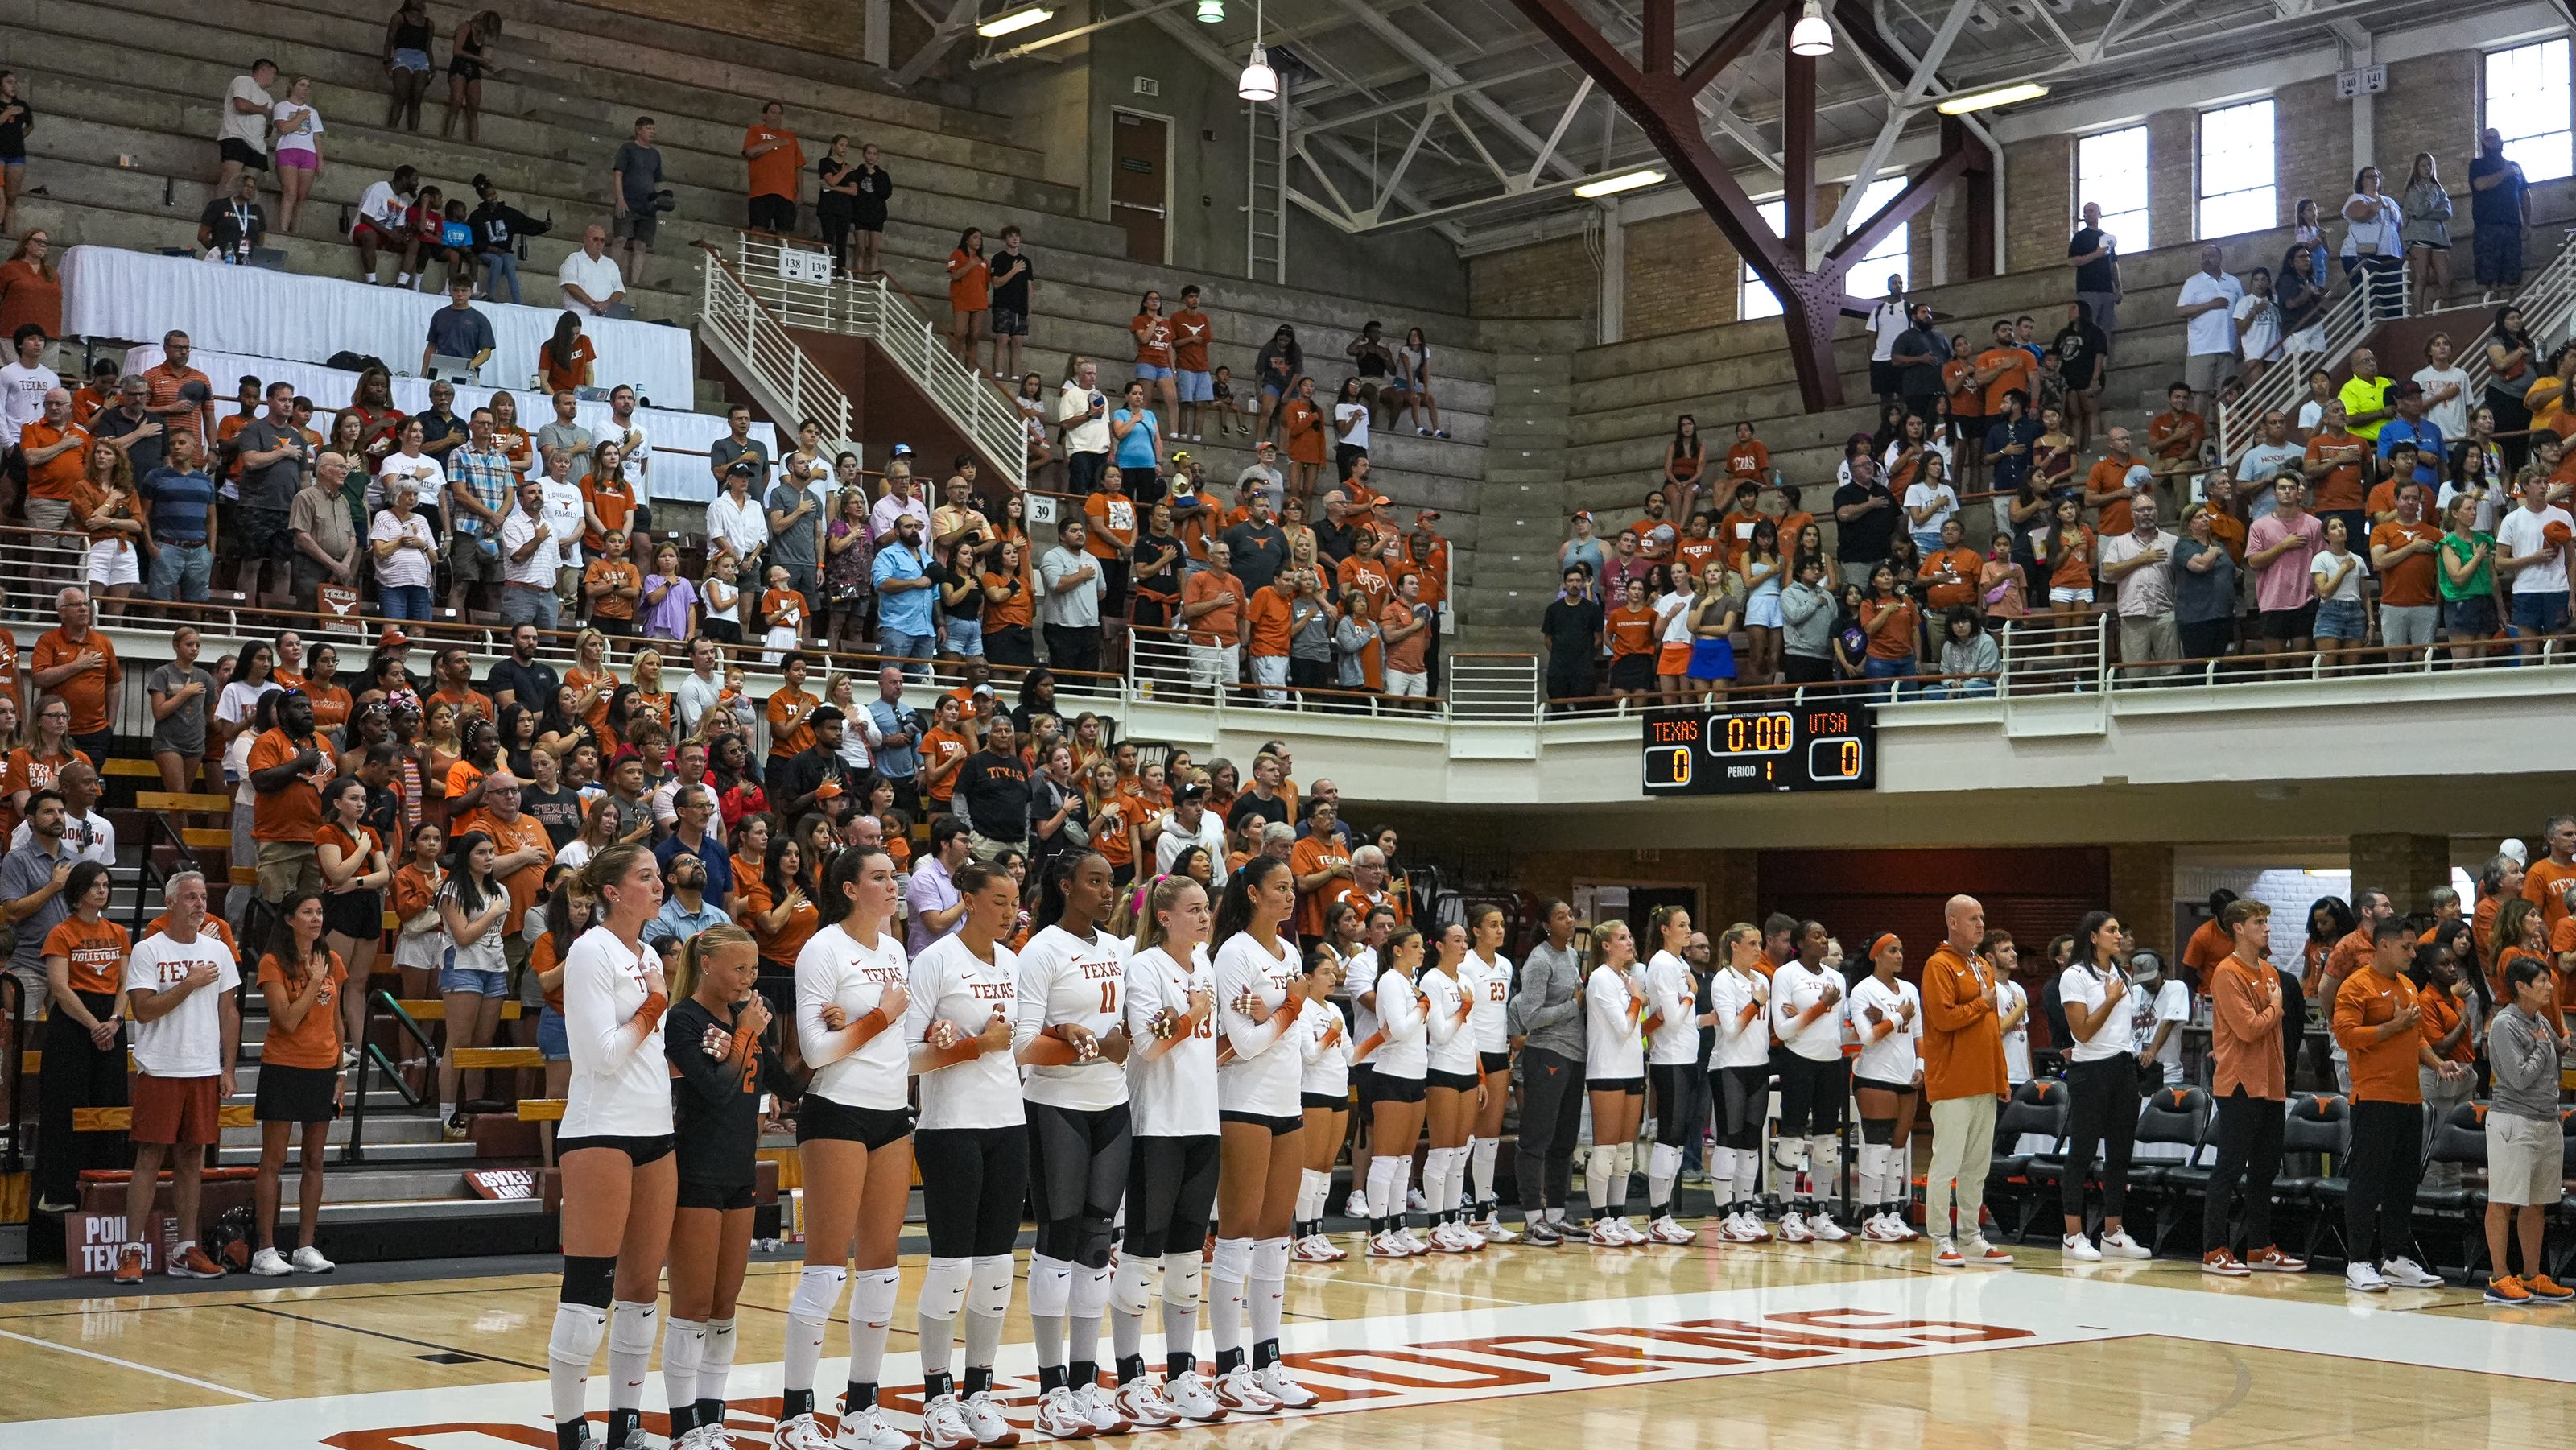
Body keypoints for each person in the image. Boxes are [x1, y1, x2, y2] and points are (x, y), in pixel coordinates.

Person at [542, 845, 674, 1450]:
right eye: (645, 876)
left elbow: (645, 1051)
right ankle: (572, 1429)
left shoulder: (647, 952)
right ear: (613, 892)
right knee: (589, 1284)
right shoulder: (590, 950)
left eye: (657, 874)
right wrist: (654, 1002)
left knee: (643, 1289)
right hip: (600, 1130)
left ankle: (627, 1422)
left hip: (655, 1129)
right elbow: (601, 1053)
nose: (658, 883)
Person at [904, 858, 1028, 1450]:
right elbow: (907, 1056)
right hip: (950, 1125)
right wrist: (973, 1045)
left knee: (997, 1264)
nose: (1009, 911)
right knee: (952, 1263)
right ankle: (936, 1397)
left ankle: (979, 1389)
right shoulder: (934, 962)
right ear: (969, 899)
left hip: (1009, 1120)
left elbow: (1020, 1044)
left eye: (1014, 901)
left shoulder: (1013, 962)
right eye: (999, 900)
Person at [109, 870, 239, 1283]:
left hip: (203, 1067)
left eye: (203, 897)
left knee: (191, 1159)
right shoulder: (149, 950)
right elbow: (144, 1010)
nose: (200, 904)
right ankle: (131, 1251)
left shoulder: (218, 951)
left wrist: (229, 1067)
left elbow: (229, 1012)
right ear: (171, 903)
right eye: (190, 897)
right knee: (149, 1157)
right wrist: (189, 983)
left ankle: (186, 1249)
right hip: (160, 1066)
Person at [2051, 912, 2153, 1261]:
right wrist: (2109, 999)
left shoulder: (2122, 974)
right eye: (2111, 930)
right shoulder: (2075, 976)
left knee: (2120, 1152)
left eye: (2119, 930)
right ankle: (2073, 1235)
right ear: (2093, 937)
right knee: (2082, 1152)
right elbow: (2082, 1031)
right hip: (2091, 1071)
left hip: (2124, 1066)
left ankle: (2112, 1233)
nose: (2119, 935)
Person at [31, 857, 127, 1216]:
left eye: (105, 885)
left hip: (112, 1022)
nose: (102, 891)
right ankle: (59, 1192)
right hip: (73, 1023)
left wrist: (115, 1020)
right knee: (67, 1105)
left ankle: (109, 1186)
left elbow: (125, 983)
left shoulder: (119, 933)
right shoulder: (61, 933)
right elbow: (59, 986)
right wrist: (93, 1025)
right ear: (78, 893)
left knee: (110, 1103)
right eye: (95, 886)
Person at [1920, 894, 2012, 1267]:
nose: (1980, 924)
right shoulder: (1937, 965)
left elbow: (1991, 1030)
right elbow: (1943, 1019)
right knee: (1946, 1165)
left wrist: (2000, 1077)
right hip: (1952, 1082)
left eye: (1982, 918)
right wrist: (1982, 1003)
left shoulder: (1981, 965)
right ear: (1952, 922)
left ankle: (1971, 1237)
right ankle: (1940, 1239)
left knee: (1978, 1167)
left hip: (1983, 1082)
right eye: (1972, 918)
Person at [2482, 955, 2570, 1304]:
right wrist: (2543, 1047)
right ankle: (2499, 1278)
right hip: (2512, 1121)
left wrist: (2555, 1046)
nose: (2550, 987)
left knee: (2537, 1202)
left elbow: (2551, 1067)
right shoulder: (2505, 1024)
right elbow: (2517, 1077)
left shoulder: (2540, 1021)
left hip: (2546, 1119)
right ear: (2521, 987)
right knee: (2503, 1200)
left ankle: (2532, 1276)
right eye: (2543, 982)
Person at [1703, 923, 1773, 1242]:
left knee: (1750, 1139)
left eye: (1760, 943)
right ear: (1734, 946)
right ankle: (1725, 1215)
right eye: (1752, 943)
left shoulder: (1762, 980)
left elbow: (1764, 1028)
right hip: (1729, 1066)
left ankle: (1745, 1209)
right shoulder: (1723, 979)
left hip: (1758, 1066)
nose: (1759, 949)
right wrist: (1756, 1003)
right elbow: (1730, 1029)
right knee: (1729, 1138)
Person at [1579, 919, 1646, 1246]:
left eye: (1630, 935)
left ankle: (1618, 1216)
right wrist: (1637, 1000)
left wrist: (1635, 996)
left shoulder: (1625, 978)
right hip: (1606, 1070)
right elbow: (1623, 1027)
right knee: (1604, 1150)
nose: (1630, 942)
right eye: (1622, 938)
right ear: (1606, 945)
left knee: (1624, 1151)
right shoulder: (1601, 979)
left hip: (1633, 1068)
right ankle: (1599, 1220)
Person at [2470, 126, 2532, 292]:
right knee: (2486, 276)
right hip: (2487, 228)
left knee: (2511, 275)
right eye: (2489, 139)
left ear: (2501, 142)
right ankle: (2485, 314)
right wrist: (2506, 173)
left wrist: (2527, 224)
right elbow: (2481, 185)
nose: (2493, 142)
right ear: (2483, 143)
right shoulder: (2477, 165)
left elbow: (2525, 195)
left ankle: (2507, 314)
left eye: (2496, 138)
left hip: (2511, 228)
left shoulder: (2515, 166)